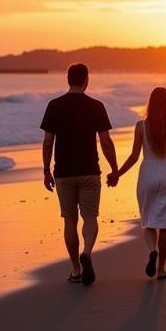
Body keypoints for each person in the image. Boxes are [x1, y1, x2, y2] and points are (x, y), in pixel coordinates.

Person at [41, 63, 119, 286]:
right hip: (89, 172)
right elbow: (105, 142)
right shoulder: (96, 106)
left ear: (67, 79)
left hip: (64, 173)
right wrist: (114, 168)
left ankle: (76, 268)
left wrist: (46, 171)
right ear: (86, 80)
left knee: (69, 220)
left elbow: (48, 143)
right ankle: (87, 252)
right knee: (90, 217)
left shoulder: (54, 105)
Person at [111, 87, 166, 280]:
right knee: (165, 226)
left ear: (150, 104)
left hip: (147, 176)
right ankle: (161, 269)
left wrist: (117, 173)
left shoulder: (140, 126)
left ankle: (152, 250)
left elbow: (134, 157)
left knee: (149, 223)